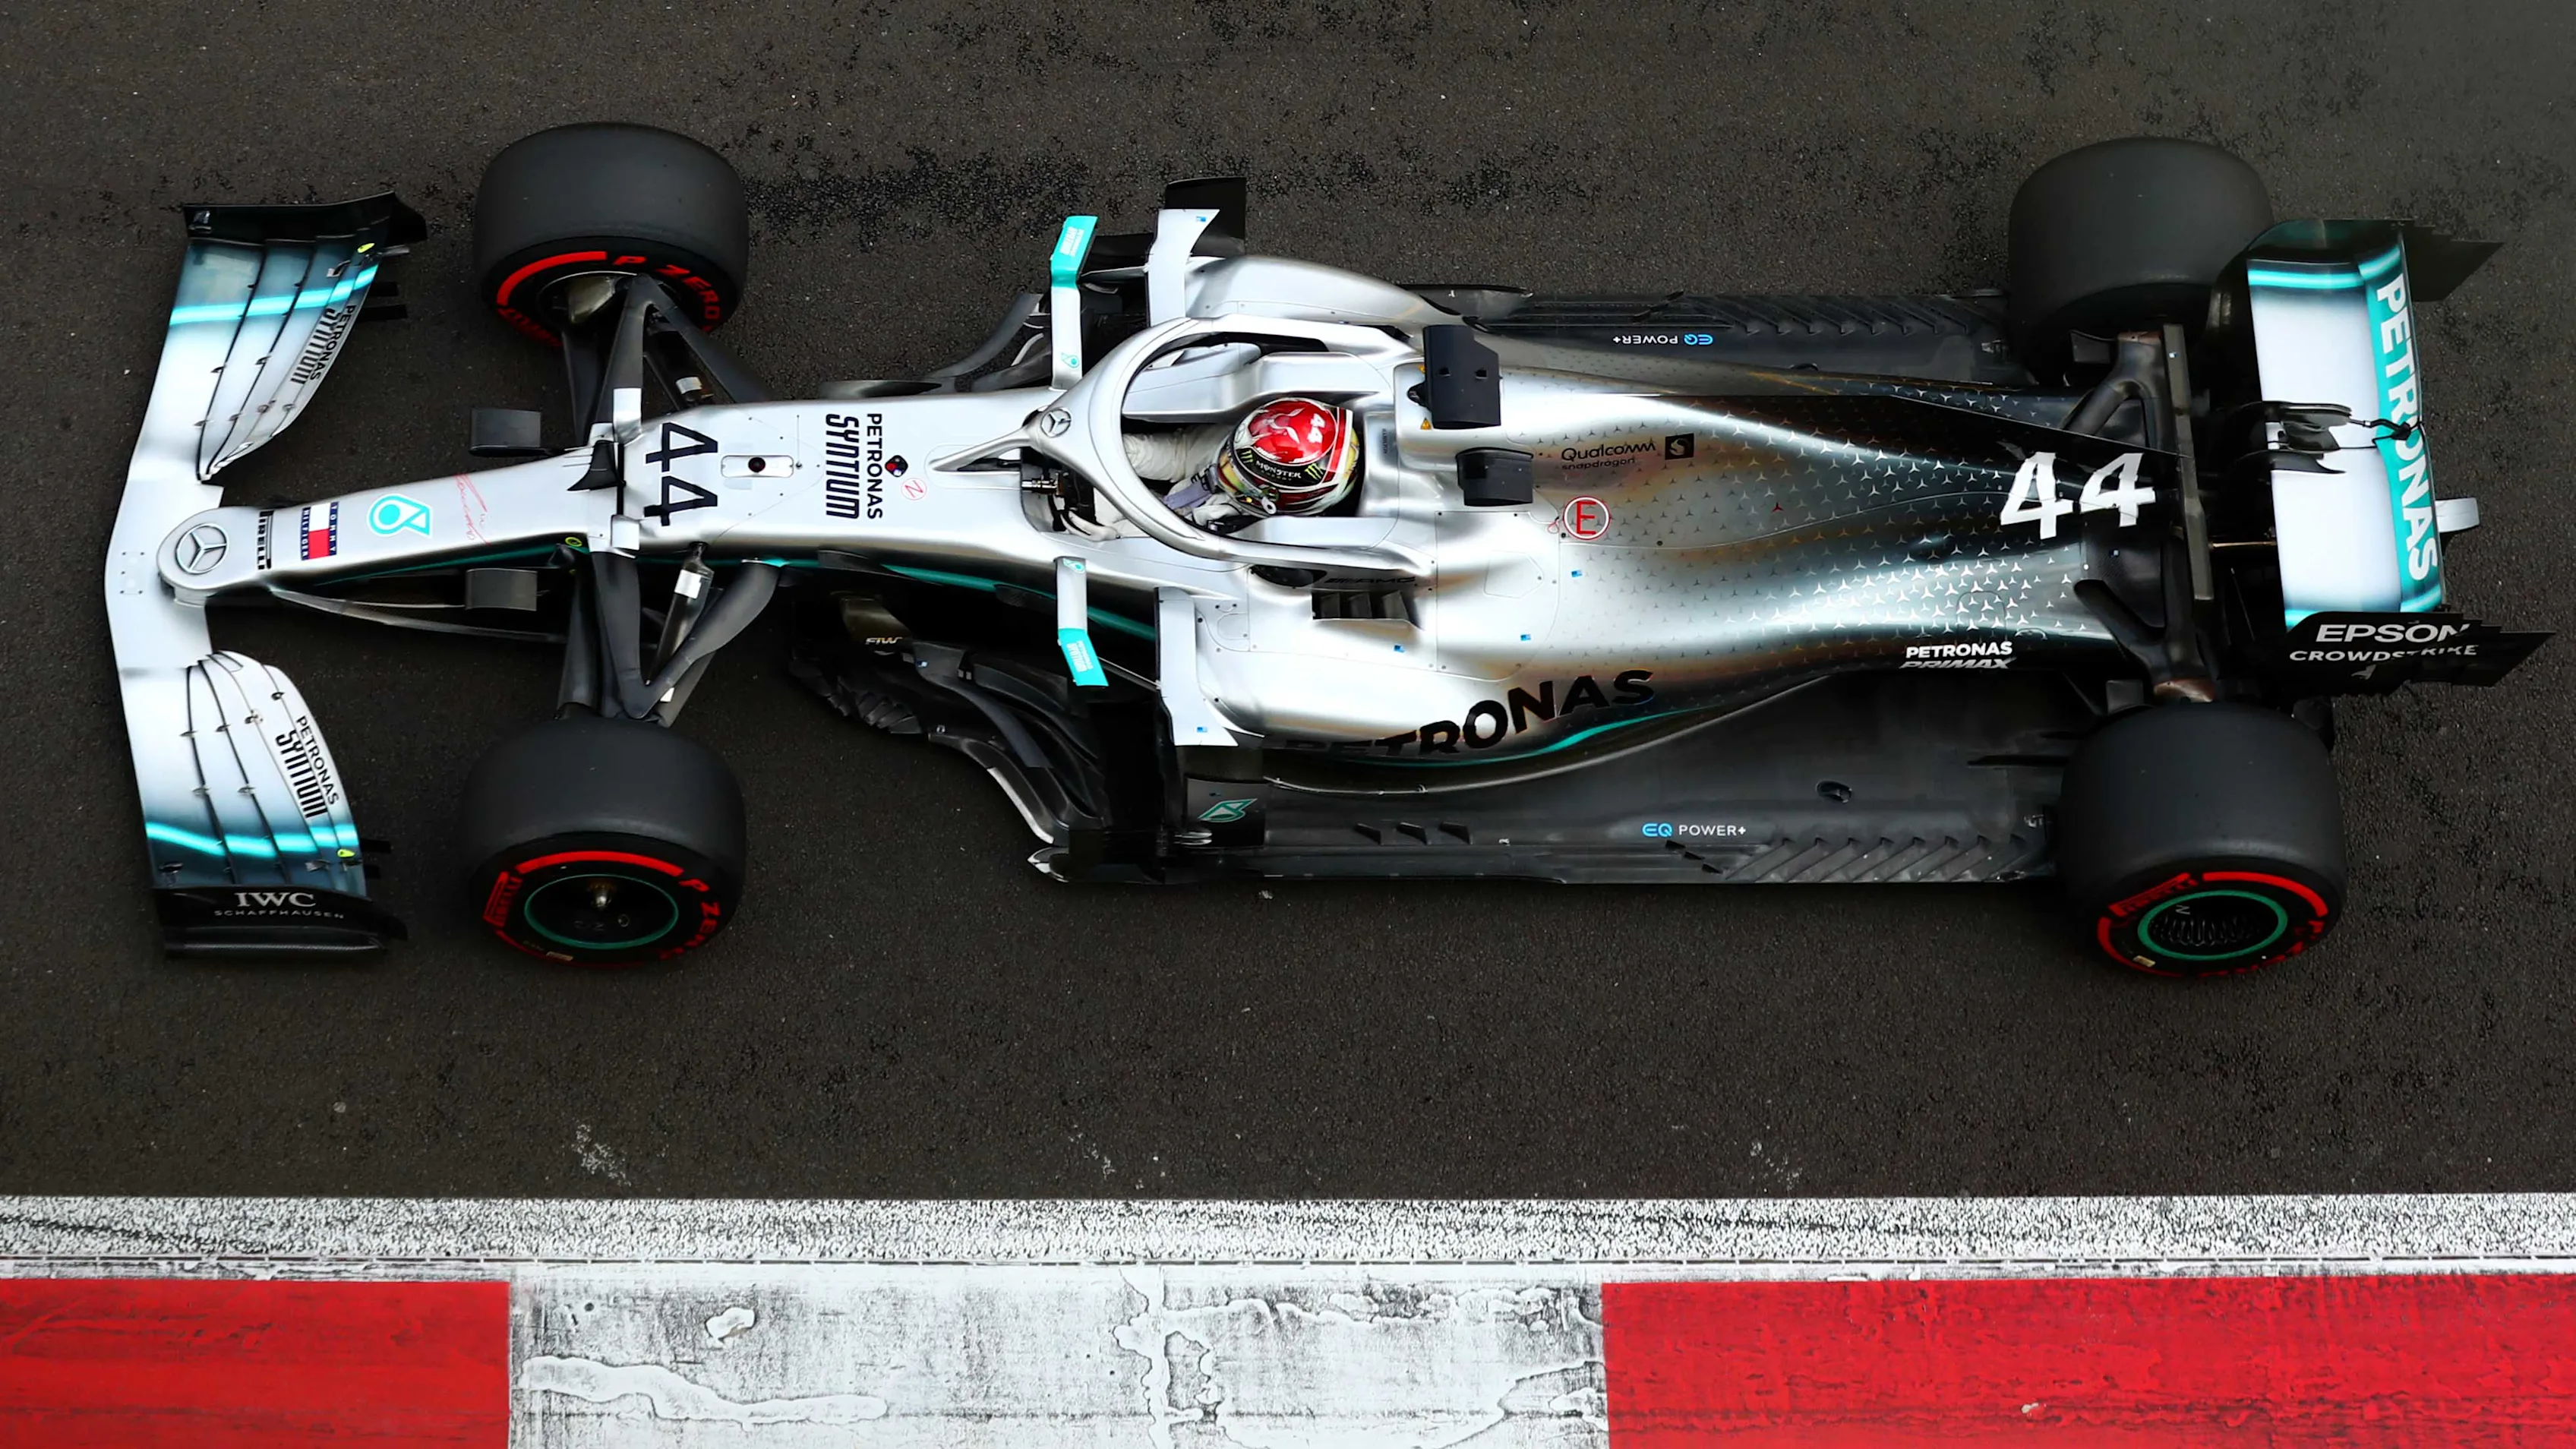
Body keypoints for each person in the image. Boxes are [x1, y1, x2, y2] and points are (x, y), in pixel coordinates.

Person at [1143, 397, 1362, 535]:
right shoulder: (1247, 441)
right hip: (1190, 467)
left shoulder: (1261, 534)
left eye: (1236, 474)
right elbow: (1178, 452)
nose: (1224, 466)